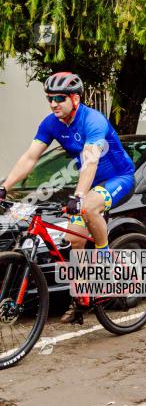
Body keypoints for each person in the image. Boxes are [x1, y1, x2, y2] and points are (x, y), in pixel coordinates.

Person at [0, 72, 136, 322]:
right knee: (73, 240)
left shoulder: (93, 120)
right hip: (90, 182)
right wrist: (5, 186)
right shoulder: (51, 123)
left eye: (59, 98)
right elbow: (31, 157)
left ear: (75, 98)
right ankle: (82, 298)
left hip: (119, 177)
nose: (53, 104)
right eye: (49, 99)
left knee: (87, 208)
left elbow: (91, 160)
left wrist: (79, 196)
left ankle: (105, 259)